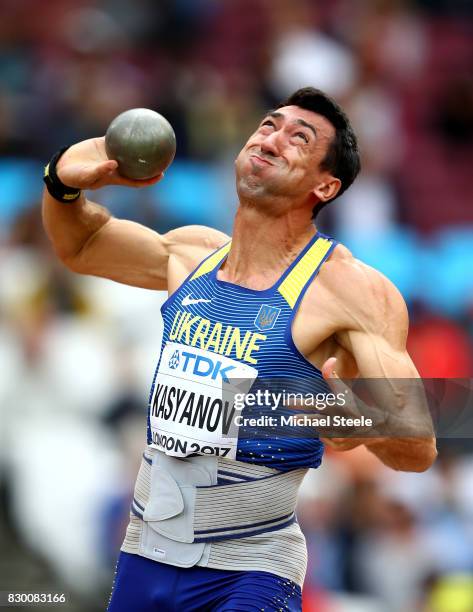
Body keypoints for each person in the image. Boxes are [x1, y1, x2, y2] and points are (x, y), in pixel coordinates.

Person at [42, 87, 437, 612]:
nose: (273, 139)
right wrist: (61, 182)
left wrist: (359, 421)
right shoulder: (192, 255)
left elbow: (420, 445)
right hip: (145, 553)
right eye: (269, 125)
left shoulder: (350, 290)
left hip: (251, 568)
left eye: (300, 138)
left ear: (326, 185)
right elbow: (83, 246)